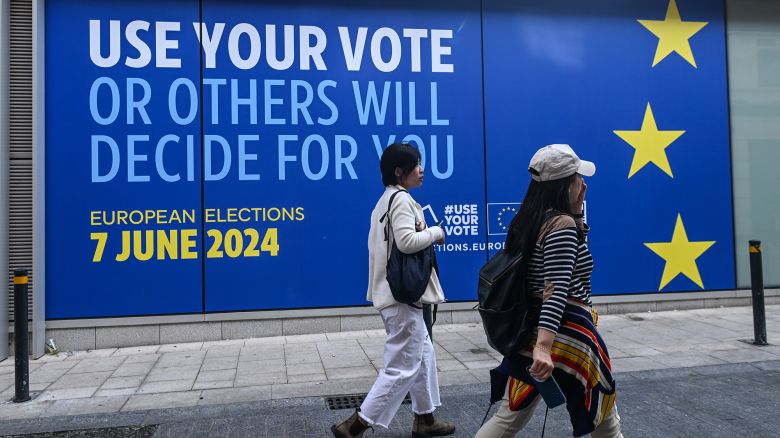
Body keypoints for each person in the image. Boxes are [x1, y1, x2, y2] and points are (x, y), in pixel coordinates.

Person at [476, 144, 623, 438]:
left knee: (509, 416)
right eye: (578, 177)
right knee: (605, 418)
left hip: (531, 333)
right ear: (564, 184)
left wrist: (578, 215)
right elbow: (555, 289)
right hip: (566, 337)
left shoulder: (531, 219)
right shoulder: (561, 225)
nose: (584, 183)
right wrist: (544, 348)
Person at [331, 143, 456, 438]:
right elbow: (406, 242)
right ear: (399, 172)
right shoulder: (400, 200)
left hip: (394, 296)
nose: (421, 169)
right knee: (402, 366)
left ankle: (425, 419)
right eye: (415, 165)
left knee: (423, 354)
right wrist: (436, 232)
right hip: (402, 298)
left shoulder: (385, 200)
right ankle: (355, 425)